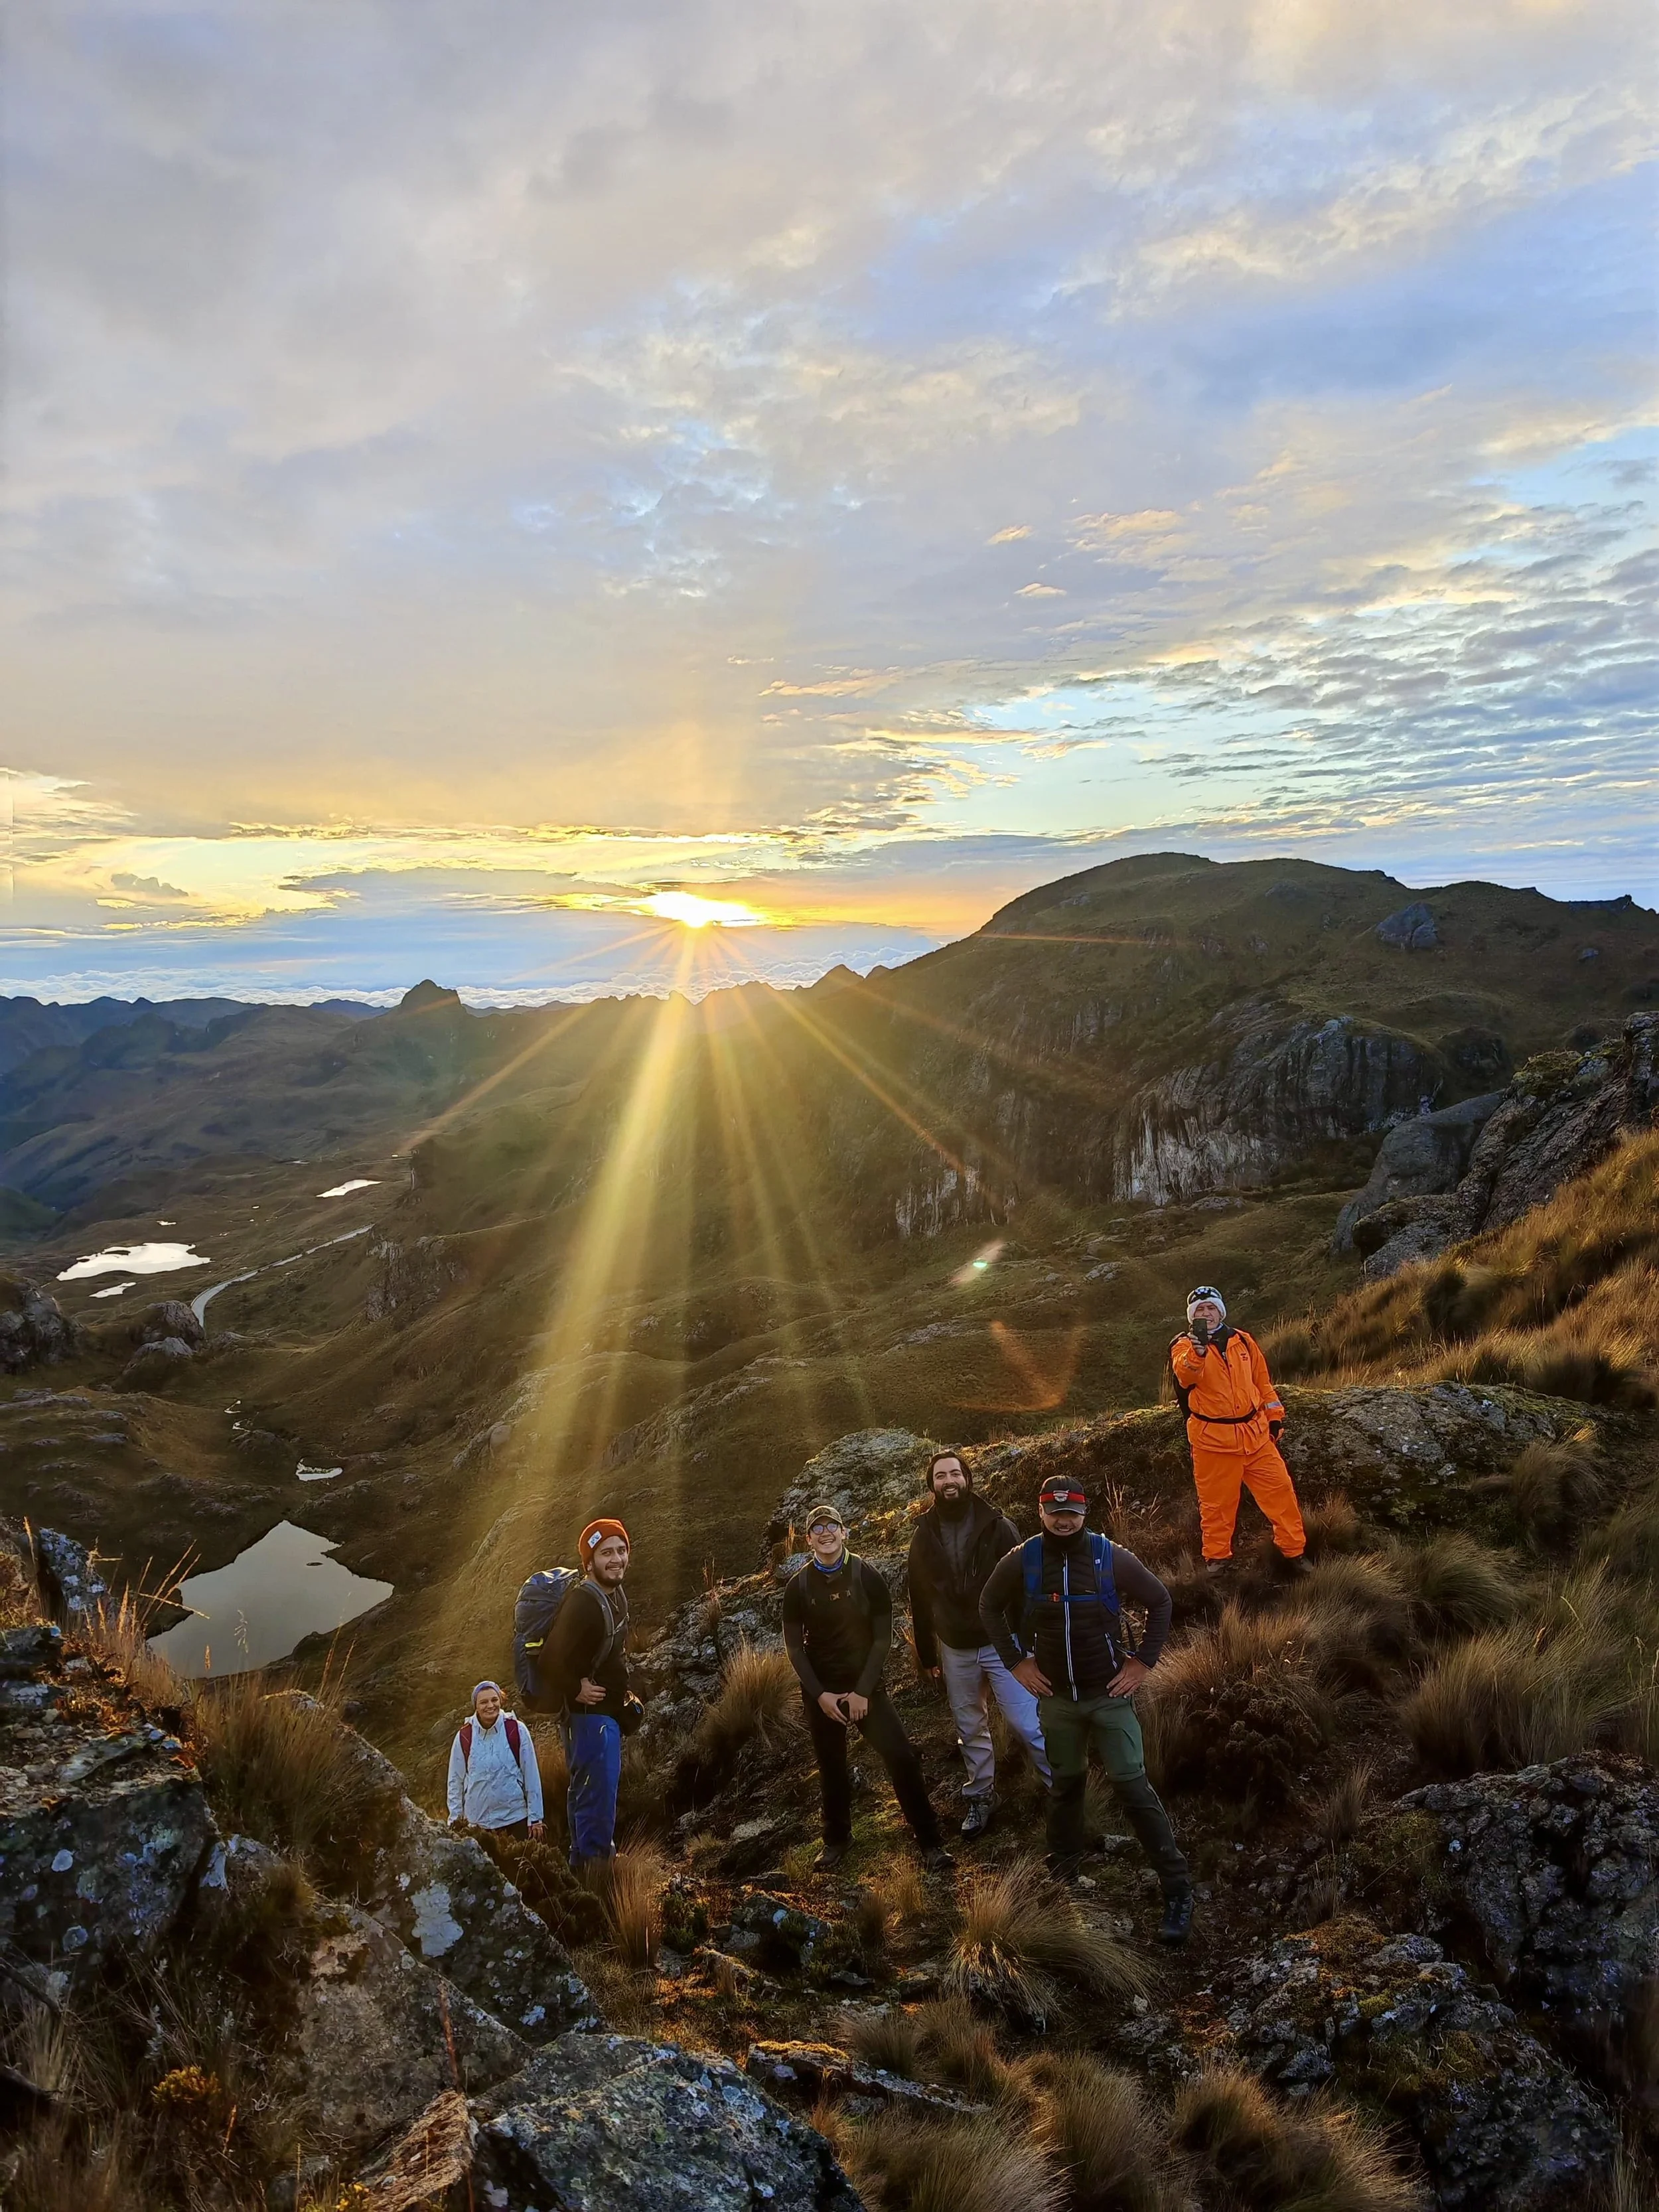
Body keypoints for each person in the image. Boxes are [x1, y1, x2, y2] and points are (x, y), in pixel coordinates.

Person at [979, 1473, 1193, 1944]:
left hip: (1109, 1694)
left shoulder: (1108, 1555)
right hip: (1057, 1699)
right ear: (1040, 1512)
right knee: (1065, 1787)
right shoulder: (1025, 1558)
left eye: (1071, 1512)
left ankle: (1177, 1890)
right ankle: (1063, 1881)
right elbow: (989, 1605)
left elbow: (1160, 1601)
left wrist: (1142, 1663)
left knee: (1133, 1788)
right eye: (1054, 1511)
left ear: (1084, 1513)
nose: (1062, 1519)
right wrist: (1016, 1663)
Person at [782, 1501, 950, 1874]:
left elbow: (882, 1640)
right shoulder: (798, 1586)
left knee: (902, 1756)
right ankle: (837, 1840)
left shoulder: (867, 1576)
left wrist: (861, 1692)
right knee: (832, 1767)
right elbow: (794, 1647)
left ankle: (930, 1841)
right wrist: (821, 1695)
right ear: (808, 1539)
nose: (826, 1533)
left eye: (833, 1526)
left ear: (844, 1533)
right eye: (818, 1528)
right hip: (821, 1694)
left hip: (867, 1690)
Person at [908, 1447, 1050, 1837]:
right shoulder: (923, 1534)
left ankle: (1061, 1789)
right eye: (940, 1476)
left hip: (1002, 1644)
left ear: (968, 1479)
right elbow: (918, 1596)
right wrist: (926, 1652)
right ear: (932, 1485)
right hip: (954, 1647)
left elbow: (1026, 1588)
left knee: (1026, 1721)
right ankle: (982, 1795)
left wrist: (1028, 1643)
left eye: (955, 1474)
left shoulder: (998, 1526)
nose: (948, 1481)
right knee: (969, 1725)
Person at [1169, 1286, 1309, 1577]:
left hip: (1256, 1436)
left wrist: (1275, 1417)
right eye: (1199, 1311)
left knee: (1282, 1494)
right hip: (1213, 1442)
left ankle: (1293, 1553)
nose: (1206, 1314)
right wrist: (1197, 1353)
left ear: (1220, 1311)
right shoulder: (1184, 1345)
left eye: (1211, 1308)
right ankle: (1218, 1562)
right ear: (1191, 1317)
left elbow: (1263, 1382)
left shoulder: (1243, 1340)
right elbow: (1185, 1375)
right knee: (1217, 1507)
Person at [541, 1517, 636, 1874]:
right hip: (589, 1720)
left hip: (601, 1717)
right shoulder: (583, 1602)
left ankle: (581, 1869)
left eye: (621, 1550)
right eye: (606, 1552)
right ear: (589, 1562)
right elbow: (550, 1660)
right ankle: (599, 1873)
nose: (617, 1559)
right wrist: (575, 1687)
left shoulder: (615, 1596)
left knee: (584, 1793)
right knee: (596, 1796)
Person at [446, 1679, 545, 1839]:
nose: (490, 1706)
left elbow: (531, 1775)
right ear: (476, 1706)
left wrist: (535, 1818)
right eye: (484, 1702)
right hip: (477, 1824)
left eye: (494, 1700)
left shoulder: (517, 1730)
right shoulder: (464, 1736)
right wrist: (456, 1822)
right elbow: (455, 1781)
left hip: (515, 1820)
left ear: (501, 1700)